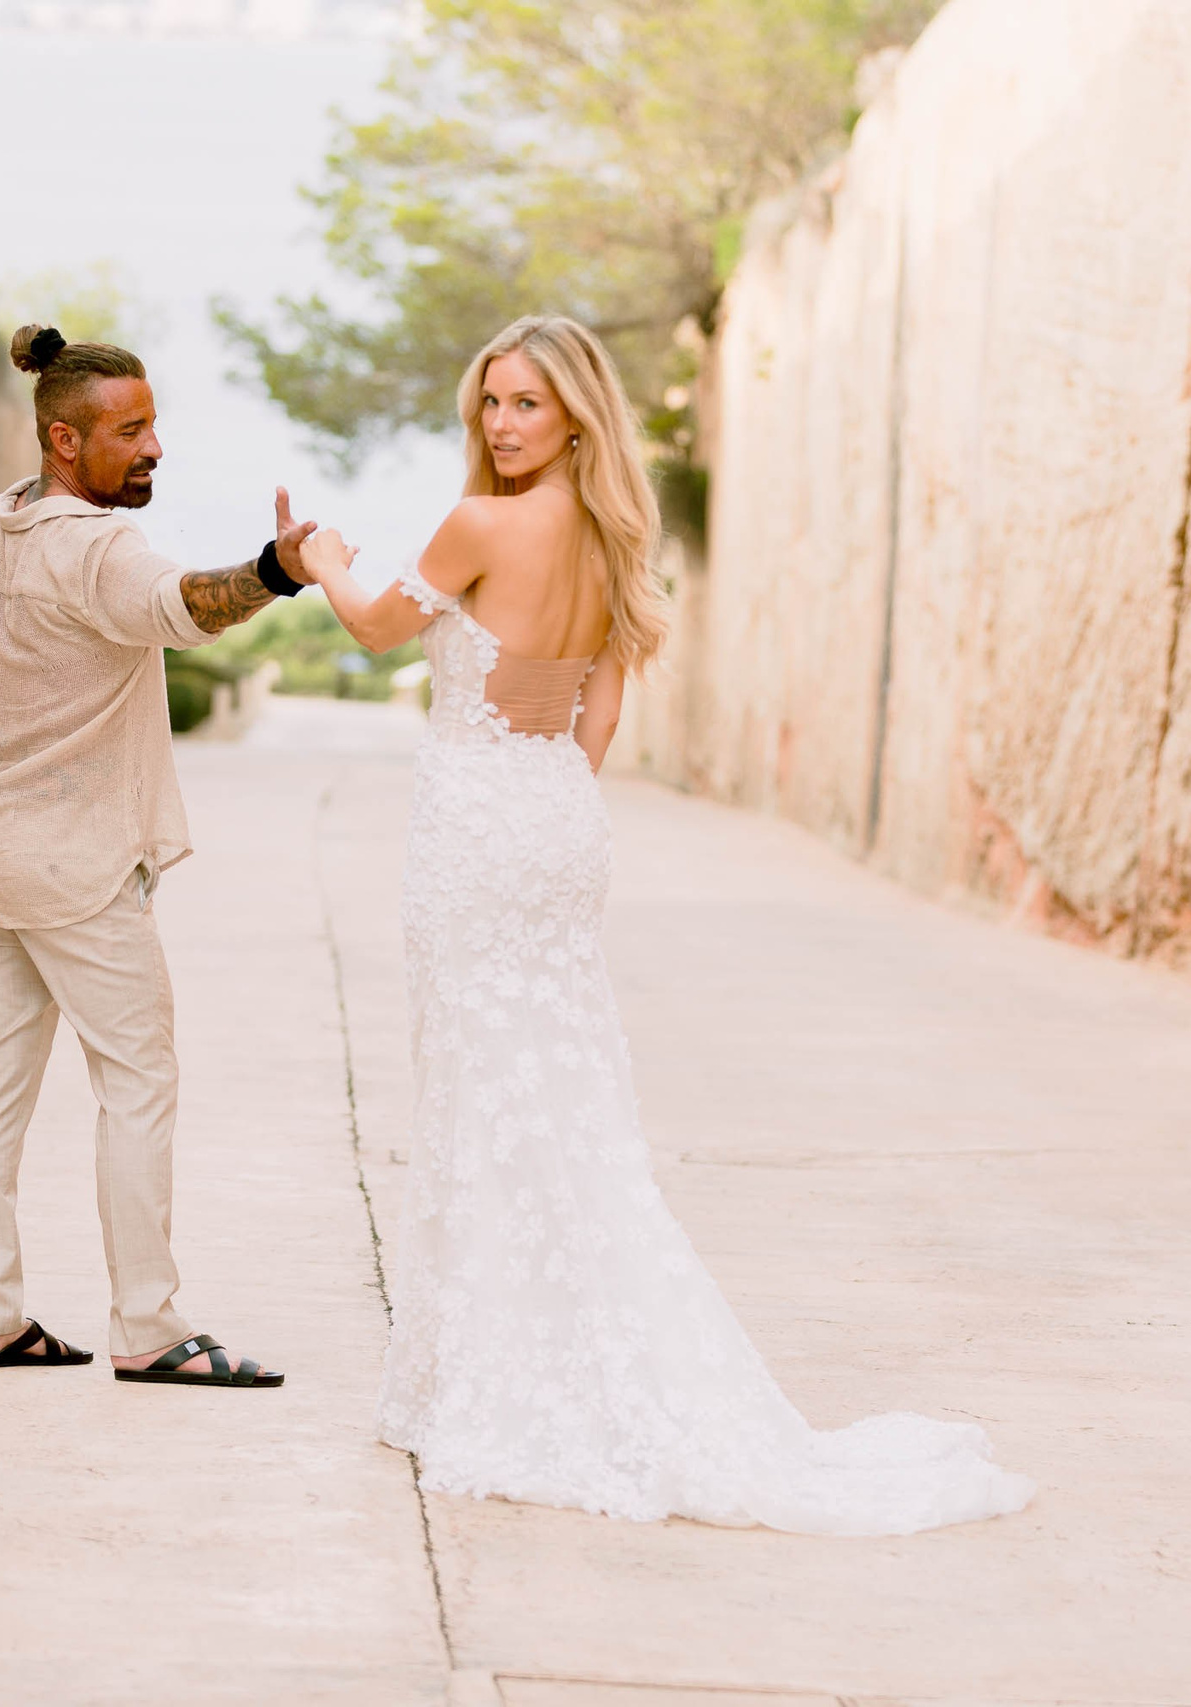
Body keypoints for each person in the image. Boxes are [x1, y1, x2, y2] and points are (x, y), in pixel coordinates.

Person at [296, 315, 1035, 1531]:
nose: (501, 424)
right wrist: (555, 793)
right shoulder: (606, 536)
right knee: (557, 1095)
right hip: (554, 817)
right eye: (490, 402)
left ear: (576, 413)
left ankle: (486, 1384)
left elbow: (378, 626)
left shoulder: (482, 524)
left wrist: (323, 554)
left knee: (480, 1091)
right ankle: (529, 1360)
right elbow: (601, 698)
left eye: (526, 404)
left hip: (477, 826)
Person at [0, 325, 311, 1388]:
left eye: (152, 427)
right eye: (129, 432)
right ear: (63, 439)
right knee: (137, 1081)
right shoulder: (95, 549)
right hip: (78, 870)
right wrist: (281, 568)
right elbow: (181, 612)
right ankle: (150, 1327)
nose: (153, 450)